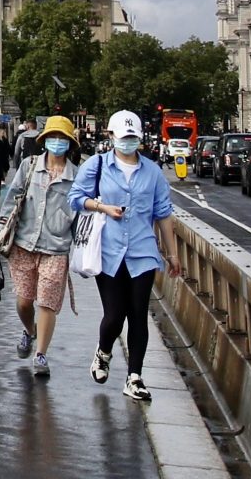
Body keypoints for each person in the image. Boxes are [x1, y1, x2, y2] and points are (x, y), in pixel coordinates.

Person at [70, 109, 181, 404]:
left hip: (143, 252)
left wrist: (172, 254)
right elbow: (75, 197)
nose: (129, 143)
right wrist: (102, 207)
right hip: (108, 251)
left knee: (138, 315)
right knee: (114, 315)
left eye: (133, 138)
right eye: (123, 137)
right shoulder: (98, 166)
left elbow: (164, 215)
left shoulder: (153, 172)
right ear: (111, 137)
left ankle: (134, 377)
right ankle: (103, 351)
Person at [0, 115, 82, 379]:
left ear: (69, 143)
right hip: (24, 243)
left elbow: (82, 213)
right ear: (44, 140)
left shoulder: (76, 177)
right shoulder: (30, 165)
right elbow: (14, 196)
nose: (57, 143)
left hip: (56, 247)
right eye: (52, 137)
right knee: (24, 301)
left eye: (62, 138)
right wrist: (2, 223)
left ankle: (41, 353)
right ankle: (30, 330)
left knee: (47, 302)